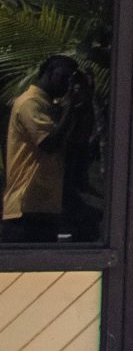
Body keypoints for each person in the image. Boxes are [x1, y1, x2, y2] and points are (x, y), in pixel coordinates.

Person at [4, 56, 82, 244]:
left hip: (45, 206)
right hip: (26, 206)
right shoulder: (29, 103)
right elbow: (49, 144)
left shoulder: (51, 107)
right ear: (48, 73)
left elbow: (73, 145)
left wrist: (80, 106)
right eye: (63, 77)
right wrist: (70, 106)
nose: (66, 84)